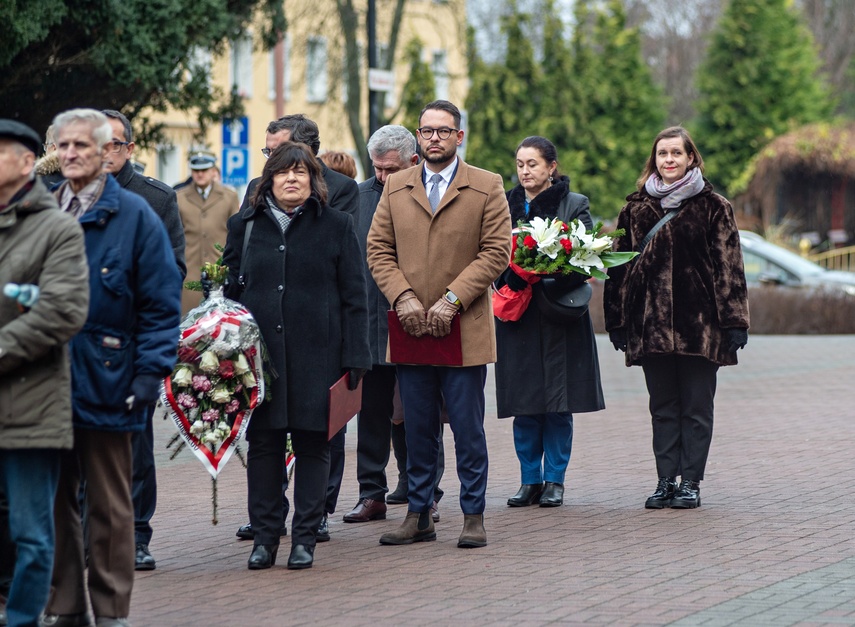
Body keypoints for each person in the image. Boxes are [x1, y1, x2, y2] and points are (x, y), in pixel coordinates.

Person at [44, 109, 182, 626]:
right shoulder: (40, 211)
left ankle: (110, 610)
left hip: (110, 376)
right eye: (64, 145)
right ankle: (65, 606)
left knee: (108, 506)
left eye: (85, 145)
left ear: (108, 152)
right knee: (54, 503)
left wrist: (148, 373)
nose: (73, 153)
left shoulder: (137, 215)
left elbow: (161, 303)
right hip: (44, 383)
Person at [367, 100, 511, 548]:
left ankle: (473, 515)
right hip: (410, 328)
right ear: (418, 137)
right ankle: (419, 515)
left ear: (459, 137)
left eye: (443, 131)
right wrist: (403, 296)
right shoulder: (397, 187)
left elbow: (496, 251)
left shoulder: (486, 185)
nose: (434, 138)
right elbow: (378, 250)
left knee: (467, 428)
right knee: (417, 427)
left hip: (462, 329)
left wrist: (452, 299)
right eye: (427, 131)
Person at [223, 141, 370, 570]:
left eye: (300, 172)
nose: (292, 179)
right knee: (264, 447)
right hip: (259, 361)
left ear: (313, 180)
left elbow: (355, 297)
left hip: (318, 357)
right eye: (283, 172)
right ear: (268, 180)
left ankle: (305, 536)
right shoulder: (244, 225)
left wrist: (356, 357)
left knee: (313, 447)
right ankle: (265, 538)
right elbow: (227, 292)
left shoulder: (337, 225)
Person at [603, 126, 749, 510]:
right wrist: (616, 321)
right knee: (663, 407)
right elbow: (617, 269)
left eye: (676, 154)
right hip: (650, 326)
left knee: (697, 408)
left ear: (690, 159)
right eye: (662, 154)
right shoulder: (634, 208)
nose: (669, 160)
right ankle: (666, 480)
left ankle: (691, 483)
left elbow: (729, 266)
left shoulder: (714, 206)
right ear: (654, 160)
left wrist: (735, 321)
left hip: (699, 327)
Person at [0, 120, 89, 627]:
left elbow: (60, 312)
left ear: (26, 161)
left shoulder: (56, 226)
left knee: (31, 533)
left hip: (31, 404)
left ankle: (23, 619)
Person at [341, 125, 445, 525]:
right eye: (377, 169)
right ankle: (372, 493)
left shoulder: (429, 192)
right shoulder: (358, 197)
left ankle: (426, 493)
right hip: (369, 323)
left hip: (416, 320)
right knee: (371, 414)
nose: (383, 177)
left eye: (391, 168)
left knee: (420, 412)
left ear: (414, 161)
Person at [494, 136, 606, 509]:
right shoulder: (503, 204)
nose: (525, 171)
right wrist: (510, 278)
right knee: (524, 401)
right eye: (520, 164)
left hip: (559, 314)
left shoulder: (574, 204)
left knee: (558, 401)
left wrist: (544, 273)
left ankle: (555, 479)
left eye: (533, 164)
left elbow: (585, 259)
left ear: (551, 167)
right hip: (517, 315)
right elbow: (489, 252)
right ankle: (529, 480)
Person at [100, 108, 187, 573]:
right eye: (97, 143)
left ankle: (137, 535)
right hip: (81, 347)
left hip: (133, 343)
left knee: (134, 446)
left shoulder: (154, 199)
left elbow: (174, 271)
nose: (104, 153)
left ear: (130, 148)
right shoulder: (63, 198)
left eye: (114, 143)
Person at [177, 151, 239, 316]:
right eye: (196, 170)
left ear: (213, 171)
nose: (200, 174)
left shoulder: (229, 197)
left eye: (204, 169)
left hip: (220, 275)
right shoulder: (179, 197)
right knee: (188, 330)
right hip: (189, 276)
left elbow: (236, 235)